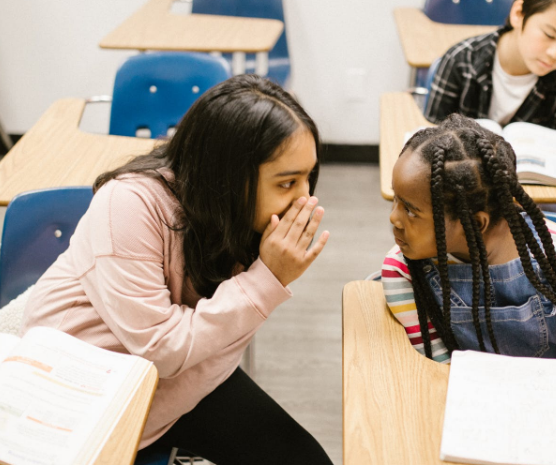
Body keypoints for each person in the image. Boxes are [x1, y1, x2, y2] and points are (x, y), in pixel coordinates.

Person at [21, 75, 333, 464]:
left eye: (308, 177)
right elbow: (162, 350)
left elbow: (217, 343)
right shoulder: (129, 203)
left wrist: (263, 280)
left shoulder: (244, 218)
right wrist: (267, 280)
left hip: (183, 371)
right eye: (287, 183)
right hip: (82, 375)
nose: (305, 199)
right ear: (228, 177)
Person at [381, 114, 556, 363]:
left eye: (411, 210)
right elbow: (440, 370)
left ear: (475, 224)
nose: (394, 218)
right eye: (395, 199)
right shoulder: (401, 272)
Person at [424, 0, 556, 132]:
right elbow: (428, 143)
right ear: (518, 14)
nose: (555, 54)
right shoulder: (460, 61)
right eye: (549, 35)